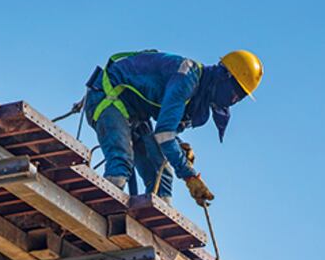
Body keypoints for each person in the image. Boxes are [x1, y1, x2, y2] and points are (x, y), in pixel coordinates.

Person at [82, 50, 262, 207]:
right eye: (236, 91)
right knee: (121, 161)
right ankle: (99, 209)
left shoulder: (199, 97)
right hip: (109, 96)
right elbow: (164, 134)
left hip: (136, 114)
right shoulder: (187, 77)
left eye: (241, 96)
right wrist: (189, 176)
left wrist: (178, 144)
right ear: (224, 76)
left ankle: (152, 225)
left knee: (161, 173)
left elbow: (167, 133)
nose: (235, 99)